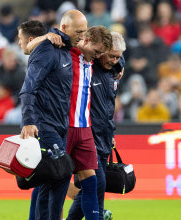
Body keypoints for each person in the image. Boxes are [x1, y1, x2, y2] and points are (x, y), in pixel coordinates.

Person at [28, 23, 113, 220]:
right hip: (62, 127)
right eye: (97, 51)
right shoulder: (66, 52)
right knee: (49, 180)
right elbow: (27, 48)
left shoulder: (93, 59)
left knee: (93, 181)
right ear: (86, 40)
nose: (99, 56)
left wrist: (120, 64)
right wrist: (47, 36)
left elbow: (116, 50)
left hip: (84, 128)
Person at [17, 17, 72, 220]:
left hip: (57, 124)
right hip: (45, 125)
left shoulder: (56, 49)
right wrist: (29, 121)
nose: (19, 43)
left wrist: (119, 63)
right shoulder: (47, 51)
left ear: (31, 38)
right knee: (58, 174)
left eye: (20, 39)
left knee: (44, 182)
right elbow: (28, 90)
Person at [67, 31, 125, 220]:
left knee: (92, 186)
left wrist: (111, 132)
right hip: (87, 134)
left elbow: (108, 108)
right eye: (112, 56)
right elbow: (89, 40)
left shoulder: (111, 72)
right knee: (96, 183)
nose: (115, 60)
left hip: (104, 135)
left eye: (119, 57)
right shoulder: (90, 64)